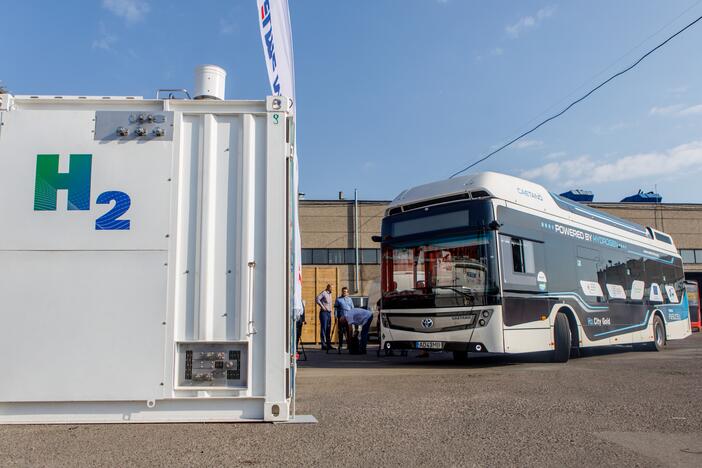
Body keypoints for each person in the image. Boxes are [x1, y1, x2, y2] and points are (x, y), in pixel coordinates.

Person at [334, 287, 355, 352]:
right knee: (340, 332)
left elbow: (352, 308)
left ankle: (349, 346)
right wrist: (336, 317)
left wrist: (353, 317)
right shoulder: (338, 299)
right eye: (343, 291)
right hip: (341, 317)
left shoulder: (350, 299)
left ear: (347, 292)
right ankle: (340, 346)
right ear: (342, 292)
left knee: (349, 332)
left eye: (345, 291)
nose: (344, 293)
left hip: (349, 318)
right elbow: (336, 309)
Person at [315, 284, 334, 350]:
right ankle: (323, 345)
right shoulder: (324, 293)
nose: (332, 289)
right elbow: (317, 299)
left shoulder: (330, 294)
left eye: (332, 288)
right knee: (324, 328)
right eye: (331, 288)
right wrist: (322, 307)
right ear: (328, 287)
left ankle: (328, 344)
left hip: (329, 313)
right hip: (324, 313)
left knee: (328, 329)